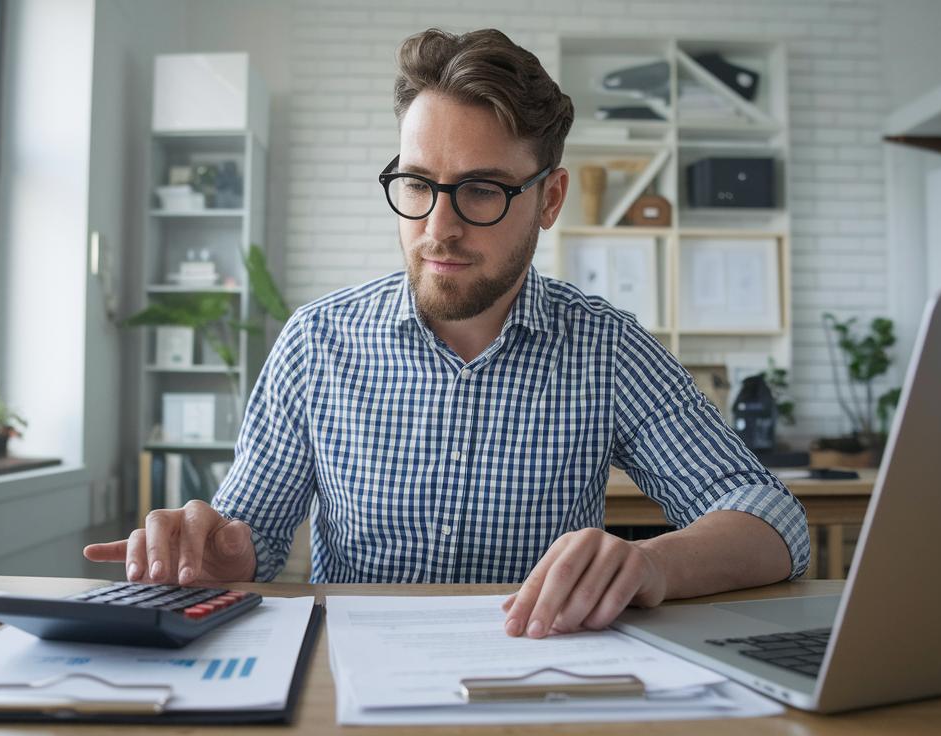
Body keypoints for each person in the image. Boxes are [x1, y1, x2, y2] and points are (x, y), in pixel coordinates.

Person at [86, 28, 808, 640]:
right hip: (349, 685)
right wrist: (223, 555)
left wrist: (652, 563)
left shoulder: (607, 350)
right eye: (417, 183)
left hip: (536, 684)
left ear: (548, 199)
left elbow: (774, 521)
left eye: (483, 190)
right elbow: (250, 540)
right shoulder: (317, 343)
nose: (439, 226)